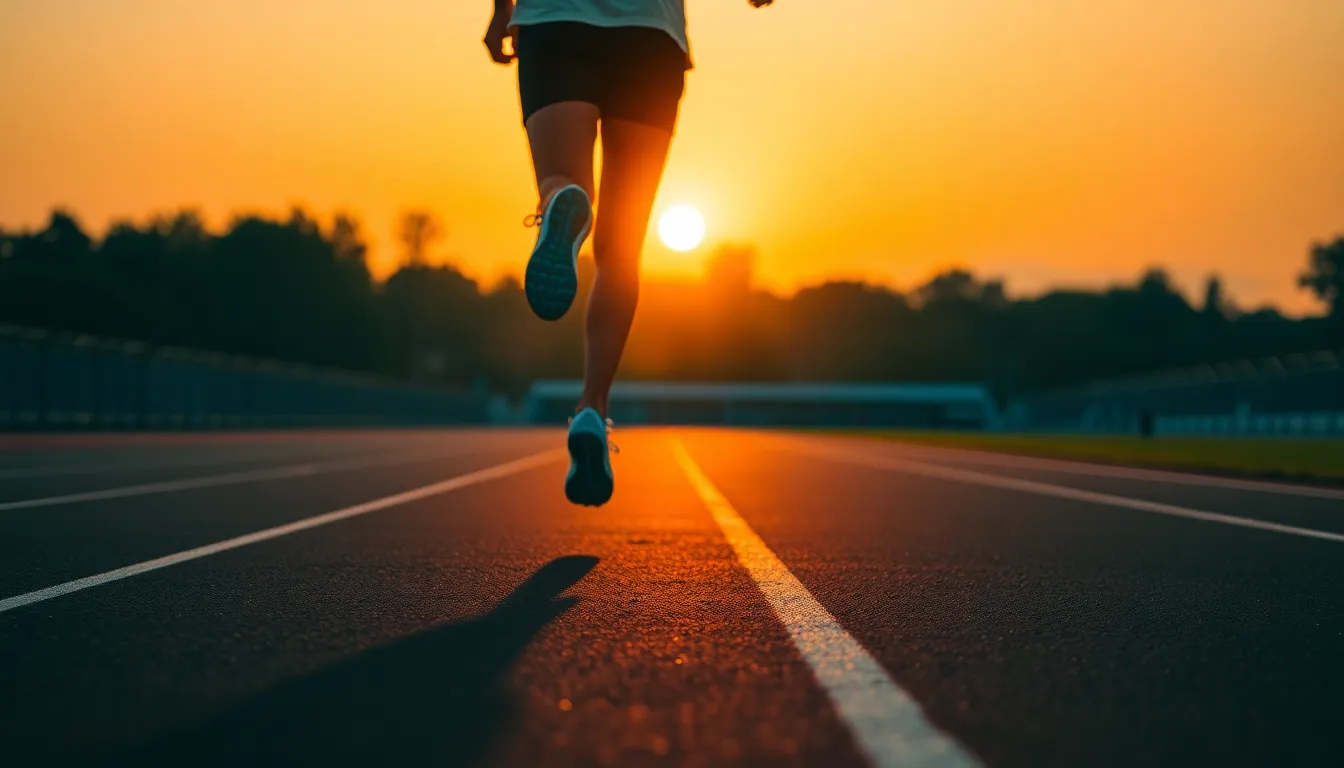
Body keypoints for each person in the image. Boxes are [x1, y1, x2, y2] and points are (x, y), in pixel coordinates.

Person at [484, 0, 773, 507]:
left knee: (561, 177)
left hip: (556, 20)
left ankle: (560, 205)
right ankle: (593, 405)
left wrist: (499, 11)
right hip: (648, 35)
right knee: (621, 249)